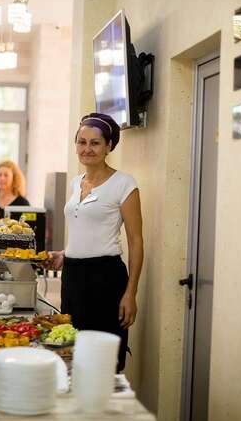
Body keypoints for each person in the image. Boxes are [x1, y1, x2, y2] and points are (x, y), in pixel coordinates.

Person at [46, 112, 144, 371]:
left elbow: (136, 241)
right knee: (71, 352)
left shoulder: (124, 184)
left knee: (103, 360)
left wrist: (131, 292)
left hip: (106, 280)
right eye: (82, 142)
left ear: (109, 146)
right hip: (73, 278)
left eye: (95, 143)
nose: (87, 149)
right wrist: (65, 253)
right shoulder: (75, 182)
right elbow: (85, 229)